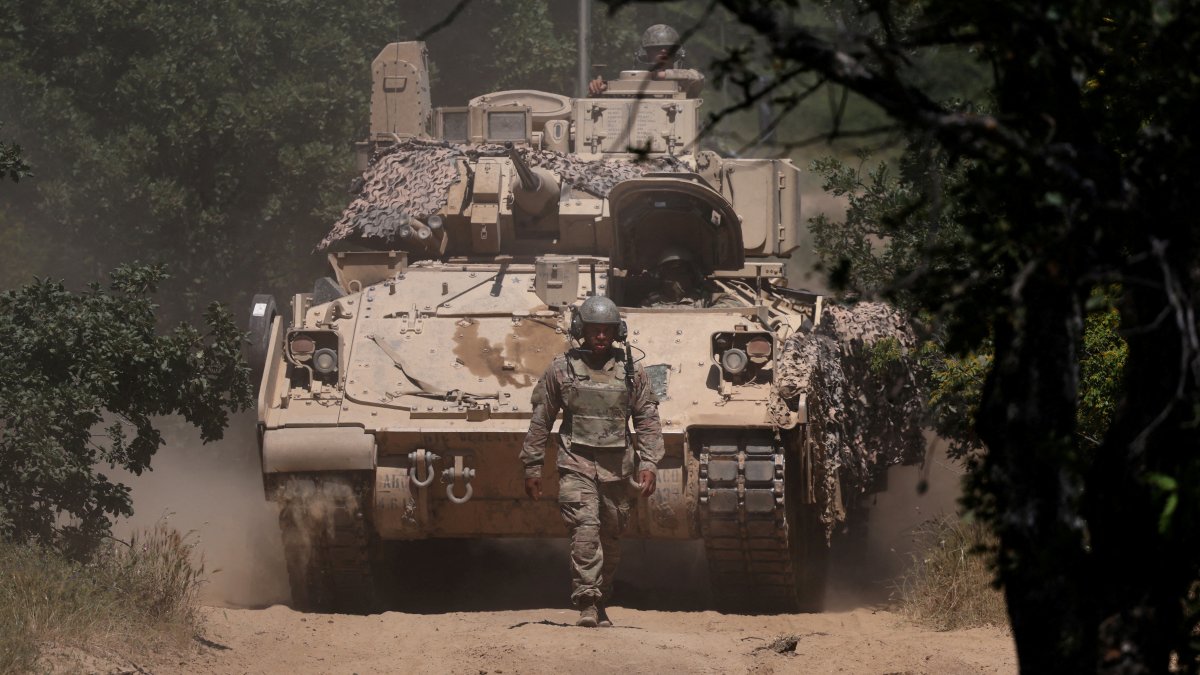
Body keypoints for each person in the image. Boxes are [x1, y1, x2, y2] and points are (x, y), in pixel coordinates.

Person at [520, 295, 664, 628]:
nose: (600, 337)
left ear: (618, 332)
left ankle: (603, 591)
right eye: (594, 330)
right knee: (585, 532)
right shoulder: (562, 368)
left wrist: (649, 463)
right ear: (580, 330)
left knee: (610, 536)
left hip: (617, 468)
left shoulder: (633, 373)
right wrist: (532, 465)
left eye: (607, 330)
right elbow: (542, 419)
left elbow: (647, 419)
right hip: (576, 463)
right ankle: (588, 601)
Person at [589, 24, 705, 98]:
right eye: (656, 48)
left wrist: (662, 75)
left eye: (668, 48)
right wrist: (599, 89)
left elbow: (698, 77)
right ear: (646, 53)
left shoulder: (684, 82)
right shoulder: (634, 82)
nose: (663, 51)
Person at [640, 247, 744, 308]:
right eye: (672, 271)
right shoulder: (652, 302)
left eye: (682, 271)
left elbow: (736, 304)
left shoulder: (702, 299)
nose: (677, 278)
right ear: (662, 275)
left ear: (691, 274)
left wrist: (709, 314)